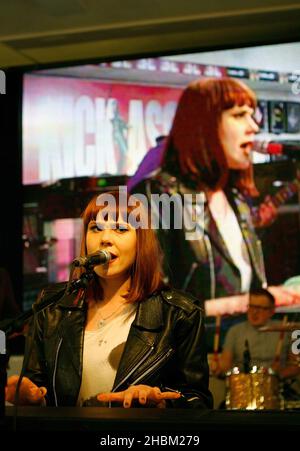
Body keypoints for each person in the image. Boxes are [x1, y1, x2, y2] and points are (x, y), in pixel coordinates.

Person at [5, 190, 213, 409]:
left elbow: (198, 400)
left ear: (141, 241)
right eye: (95, 228)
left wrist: (160, 403)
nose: (105, 239)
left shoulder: (180, 313)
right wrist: (30, 397)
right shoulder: (53, 305)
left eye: (121, 229)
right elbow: (38, 388)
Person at [130, 77, 300, 316]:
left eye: (253, 115)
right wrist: (241, 304)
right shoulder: (156, 195)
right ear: (205, 125)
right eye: (240, 115)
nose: (253, 126)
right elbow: (148, 309)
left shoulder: (235, 199)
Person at [212, 288, 300, 379]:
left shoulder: (287, 330)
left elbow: (296, 366)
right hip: (243, 385)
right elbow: (225, 364)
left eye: (260, 308)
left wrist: (278, 374)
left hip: (277, 387)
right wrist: (218, 368)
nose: (254, 312)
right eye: (252, 307)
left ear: (271, 311)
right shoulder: (234, 331)